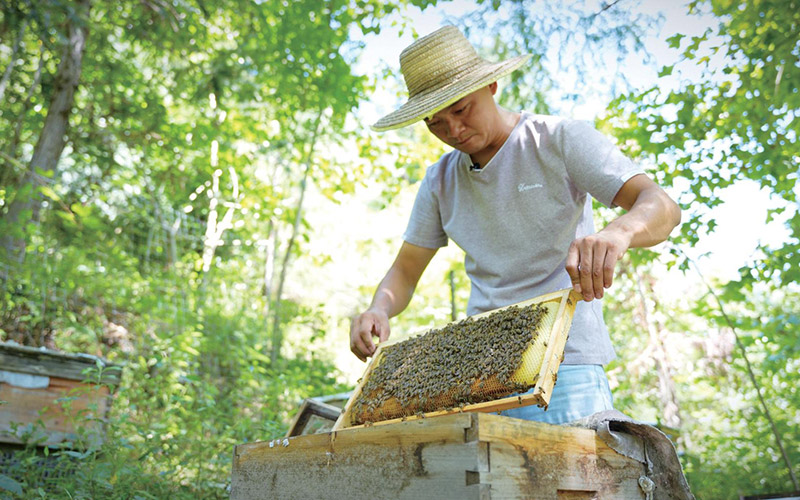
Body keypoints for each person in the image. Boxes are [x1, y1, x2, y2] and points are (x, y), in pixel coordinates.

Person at [349, 25, 681, 424]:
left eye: (460, 109)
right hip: (479, 376)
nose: (452, 130)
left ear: (490, 85)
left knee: (576, 486)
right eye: (435, 123)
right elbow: (405, 270)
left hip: (568, 365)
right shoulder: (439, 181)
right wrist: (378, 308)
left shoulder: (558, 139)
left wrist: (619, 231)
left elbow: (661, 206)